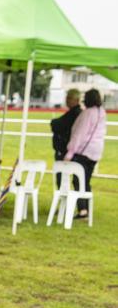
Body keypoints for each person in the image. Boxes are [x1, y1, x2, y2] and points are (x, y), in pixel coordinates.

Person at [65, 88, 106, 219]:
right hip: (96, 151)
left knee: (78, 180)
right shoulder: (102, 112)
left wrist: (70, 153)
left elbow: (79, 134)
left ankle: (82, 210)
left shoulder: (87, 113)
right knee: (86, 180)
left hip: (84, 151)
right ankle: (87, 209)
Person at [51, 89, 81, 186]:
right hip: (69, 150)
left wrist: (53, 122)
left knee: (63, 179)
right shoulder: (75, 113)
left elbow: (58, 125)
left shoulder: (75, 113)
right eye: (67, 97)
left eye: (69, 98)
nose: (67, 100)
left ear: (76, 100)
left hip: (67, 151)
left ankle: (66, 198)